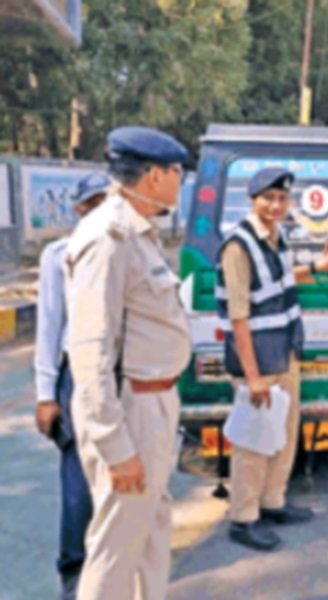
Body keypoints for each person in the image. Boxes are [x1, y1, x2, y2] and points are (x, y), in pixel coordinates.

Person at [64, 126, 191, 600]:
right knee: (116, 546)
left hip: (154, 403)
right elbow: (90, 351)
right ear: (155, 176)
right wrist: (115, 445)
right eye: (177, 172)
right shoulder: (108, 238)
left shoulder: (139, 232)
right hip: (129, 409)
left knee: (151, 533)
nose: (181, 180)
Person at [216, 167, 328, 551]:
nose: (275, 206)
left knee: (283, 434)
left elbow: (282, 279)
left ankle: (272, 502)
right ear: (253, 200)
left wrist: (318, 268)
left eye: (281, 199)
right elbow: (238, 317)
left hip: (284, 354)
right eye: (267, 198)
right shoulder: (238, 246)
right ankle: (243, 518)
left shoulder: (276, 238)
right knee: (253, 443)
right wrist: (253, 377)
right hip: (258, 361)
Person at [34, 173, 109, 600]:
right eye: (93, 203)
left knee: (117, 481)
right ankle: (74, 571)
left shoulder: (127, 251)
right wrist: (47, 395)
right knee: (79, 480)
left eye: (108, 200)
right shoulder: (59, 255)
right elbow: (49, 326)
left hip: (118, 377)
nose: (102, 210)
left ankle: (111, 567)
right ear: (79, 209)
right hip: (76, 377)